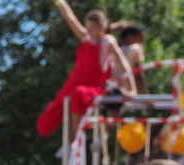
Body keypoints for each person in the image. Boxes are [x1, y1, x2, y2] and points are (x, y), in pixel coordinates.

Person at [38, 2, 132, 137]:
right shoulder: (85, 38)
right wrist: (59, 2)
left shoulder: (107, 42)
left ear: (102, 28)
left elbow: (123, 64)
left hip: (95, 86)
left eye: (92, 28)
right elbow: (69, 16)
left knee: (79, 95)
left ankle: (73, 138)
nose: (88, 31)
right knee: (52, 114)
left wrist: (131, 87)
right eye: (87, 27)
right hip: (75, 82)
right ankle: (69, 140)